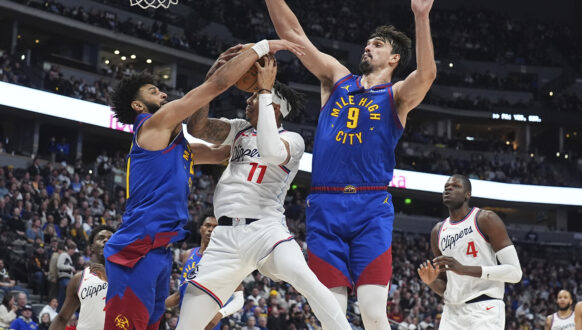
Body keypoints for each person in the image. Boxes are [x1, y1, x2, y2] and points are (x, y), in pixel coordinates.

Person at [103, 39, 304, 330]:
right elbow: (213, 88)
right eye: (152, 91)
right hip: (135, 247)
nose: (162, 92)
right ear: (138, 105)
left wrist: (267, 127)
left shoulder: (178, 147)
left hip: (159, 251)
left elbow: (229, 150)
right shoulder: (152, 127)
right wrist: (262, 48)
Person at [263, 0, 437, 328]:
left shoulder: (396, 95)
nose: (368, 46)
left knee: (372, 312)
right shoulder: (336, 78)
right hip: (326, 204)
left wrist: (421, 16)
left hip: (370, 206)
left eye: (378, 44)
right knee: (331, 315)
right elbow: (292, 33)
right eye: (368, 42)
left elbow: (427, 74)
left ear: (394, 57)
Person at [180, 55, 349, 330]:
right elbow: (196, 128)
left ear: (275, 106)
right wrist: (211, 80)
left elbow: (270, 150)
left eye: (255, 96)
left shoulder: (293, 141)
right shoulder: (238, 130)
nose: (247, 100)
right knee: (187, 325)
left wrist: (266, 90)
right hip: (224, 239)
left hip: (266, 230)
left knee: (305, 278)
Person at [417, 174, 522, 329]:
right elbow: (446, 287)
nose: (449, 189)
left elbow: (515, 273)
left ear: (468, 194)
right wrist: (431, 281)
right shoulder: (438, 231)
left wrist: (464, 269)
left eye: (455, 186)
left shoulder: (485, 219)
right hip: (452, 311)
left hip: (485, 307)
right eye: (446, 187)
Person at [165, 215, 245, 329]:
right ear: (201, 228)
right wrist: (154, 306)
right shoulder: (188, 254)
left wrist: (220, 314)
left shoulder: (226, 260)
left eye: (215, 227)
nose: (211, 229)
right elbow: (180, 295)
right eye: (208, 225)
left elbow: (239, 299)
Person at [49, 225, 115, 330]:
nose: (106, 240)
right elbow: (62, 318)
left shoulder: (128, 275)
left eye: (111, 238)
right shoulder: (79, 279)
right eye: (101, 238)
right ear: (92, 247)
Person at [57, 241, 76, 310]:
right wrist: (70, 268)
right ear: (68, 249)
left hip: (68, 279)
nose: (73, 251)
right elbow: (59, 265)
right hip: (64, 278)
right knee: (62, 298)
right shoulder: (63, 255)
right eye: (72, 249)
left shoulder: (68, 257)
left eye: (74, 249)